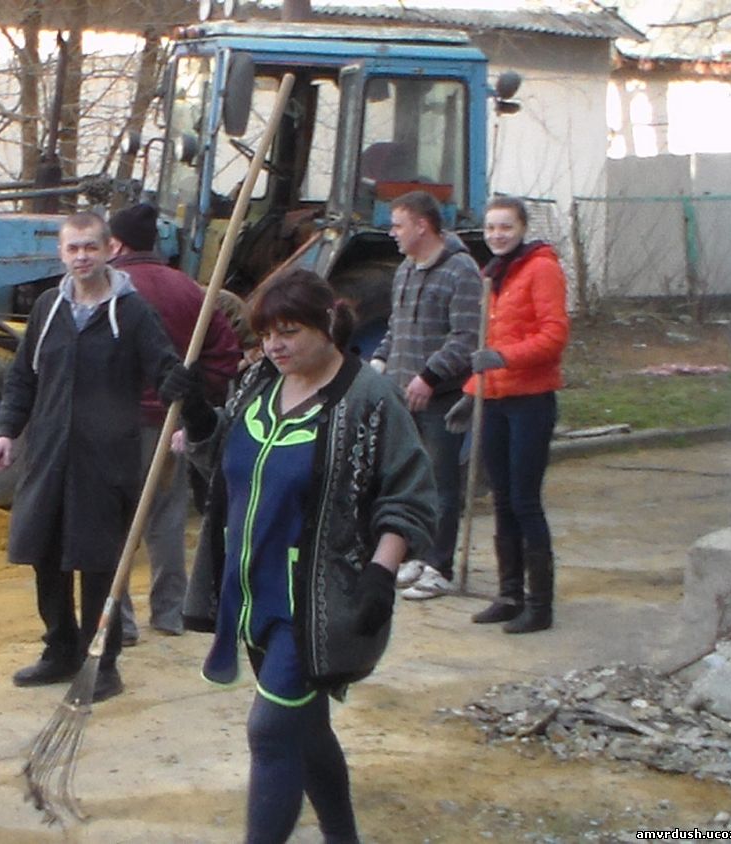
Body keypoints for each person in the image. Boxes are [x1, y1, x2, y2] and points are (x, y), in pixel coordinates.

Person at [168, 268, 435, 844]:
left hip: (319, 601)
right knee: (304, 729)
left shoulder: (369, 399)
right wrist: (199, 418)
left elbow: (410, 493)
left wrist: (382, 572)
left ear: (326, 325)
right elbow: (226, 471)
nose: (275, 345)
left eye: (288, 331)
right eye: (267, 334)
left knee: (269, 731)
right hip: (253, 593)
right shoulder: (257, 385)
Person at [0, 211, 179, 703]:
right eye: (73, 248)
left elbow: (165, 369)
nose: (82, 257)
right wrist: (8, 430)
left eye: (90, 247)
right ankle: (60, 651)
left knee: (98, 565)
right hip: (48, 452)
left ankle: (102, 665)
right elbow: (23, 376)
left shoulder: (132, 313)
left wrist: (181, 398)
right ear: (60, 253)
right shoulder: (48, 308)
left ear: (109, 249)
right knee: (46, 555)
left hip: (105, 459)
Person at [107, 202, 240, 645]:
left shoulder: (109, 288)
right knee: (166, 517)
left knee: (115, 519)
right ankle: (169, 611)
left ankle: (120, 622)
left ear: (116, 243)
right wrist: (196, 400)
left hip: (116, 423)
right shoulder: (188, 288)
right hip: (169, 423)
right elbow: (226, 353)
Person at [450, 196, 570, 633]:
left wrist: (504, 358)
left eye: (506, 227)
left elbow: (554, 335)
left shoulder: (541, 269)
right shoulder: (492, 274)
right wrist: (471, 392)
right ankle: (508, 594)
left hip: (531, 400)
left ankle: (540, 604)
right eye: (491, 228)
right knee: (501, 498)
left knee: (524, 500)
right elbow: (486, 346)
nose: (497, 235)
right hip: (496, 399)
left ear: (522, 228)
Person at [370, 190, 482, 600]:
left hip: (440, 398)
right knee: (409, 481)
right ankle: (416, 554)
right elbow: (396, 326)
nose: (393, 233)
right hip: (404, 396)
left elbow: (467, 337)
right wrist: (380, 361)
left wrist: (429, 377)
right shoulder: (405, 270)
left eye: (398, 225)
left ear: (422, 226)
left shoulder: (461, 271)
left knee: (441, 482)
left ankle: (440, 566)